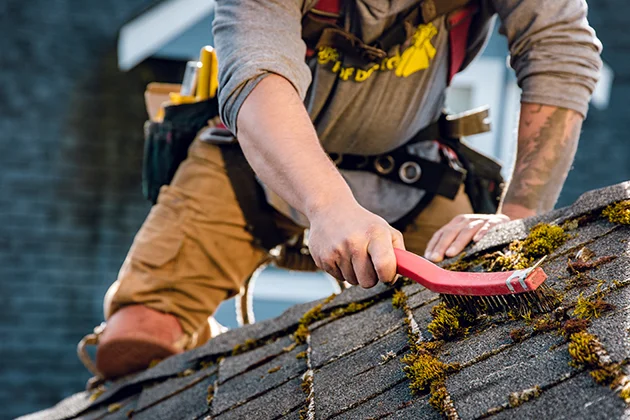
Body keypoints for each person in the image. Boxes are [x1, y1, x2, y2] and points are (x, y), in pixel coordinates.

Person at [86, 0, 602, 379]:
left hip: (412, 173)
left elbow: (559, 50)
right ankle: (213, 361)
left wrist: (515, 217)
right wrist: (329, 205)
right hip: (247, 162)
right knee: (136, 342)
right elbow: (256, 73)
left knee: (476, 329)